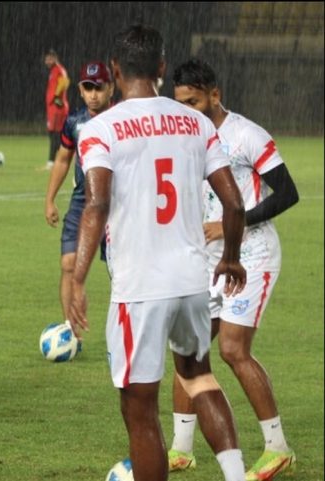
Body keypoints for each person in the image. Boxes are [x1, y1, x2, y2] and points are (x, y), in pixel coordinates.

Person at [68, 25, 248, 481]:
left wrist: (78, 276)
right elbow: (233, 202)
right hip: (191, 280)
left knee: (139, 408)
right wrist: (230, 256)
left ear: (114, 71)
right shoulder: (197, 122)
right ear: (162, 70)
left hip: (140, 288)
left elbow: (97, 203)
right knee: (198, 376)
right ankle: (235, 475)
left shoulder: (100, 128)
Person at [168, 58, 299, 480]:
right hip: (207, 259)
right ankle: (181, 450)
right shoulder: (188, 137)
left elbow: (288, 193)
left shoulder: (245, 135)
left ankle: (277, 447)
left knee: (232, 350)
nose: (186, 111)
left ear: (215, 95)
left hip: (251, 255)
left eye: (193, 102)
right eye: (180, 103)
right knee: (189, 348)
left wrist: (231, 224)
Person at [44, 60, 114, 324]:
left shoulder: (122, 119)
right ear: (81, 90)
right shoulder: (74, 121)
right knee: (68, 265)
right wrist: (49, 199)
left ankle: (124, 327)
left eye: (99, 87)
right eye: (88, 87)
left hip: (116, 204)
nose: (93, 94)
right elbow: (63, 159)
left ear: (110, 88)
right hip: (81, 203)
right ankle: (70, 331)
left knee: (119, 272)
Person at [42, 49, 70, 171]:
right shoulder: (53, 71)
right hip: (52, 107)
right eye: (46, 59)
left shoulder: (59, 70)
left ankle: (52, 162)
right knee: (53, 134)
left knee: (56, 135)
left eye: (49, 58)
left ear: (54, 58)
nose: (46, 61)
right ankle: (59, 159)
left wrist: (57, 97)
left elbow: (65, 82)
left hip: (57, 107)